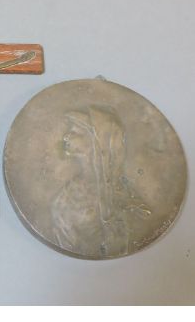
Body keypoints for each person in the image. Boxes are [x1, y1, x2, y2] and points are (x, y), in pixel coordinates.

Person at [52, 105, 151, 257]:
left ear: (96, 140)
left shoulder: (125, 196)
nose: (66, 136)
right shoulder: (69, 193)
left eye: (75, 132)